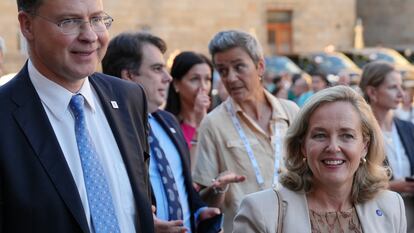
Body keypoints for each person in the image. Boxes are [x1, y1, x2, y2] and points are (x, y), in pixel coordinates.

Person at [0, 0, 154, 232]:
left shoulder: (128, 99)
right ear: (27, 25)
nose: (90, 36)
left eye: (97, 19)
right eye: (69, 21)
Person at [234, 85, 406, 233]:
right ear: (302, 146)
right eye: (320, 135)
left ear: (365, 147)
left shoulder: (390, 206)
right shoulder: (260, 211)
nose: (333, 147)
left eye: (346, 135)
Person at [102, 32, 220, 233]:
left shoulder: (167, 121)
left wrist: (199, 211)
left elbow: (181, 183)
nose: (168, 78)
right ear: (129, 76)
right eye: (157, 69)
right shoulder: (104, 129)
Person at [192, 30, 299, 232]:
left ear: (260, 66)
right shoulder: (213, 124)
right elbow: (205, 204)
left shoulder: (291, 112)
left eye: (239, 67)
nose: (231, 78)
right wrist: (219, 187)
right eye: (223, 71)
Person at [359, 61, 414, 233]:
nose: (401, 93)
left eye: (401, 86)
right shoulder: (360, 132)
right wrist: (390, 186)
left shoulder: (408, 128)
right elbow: (353, 182)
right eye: (392, 87)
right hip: (377, 216)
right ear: (372, 92)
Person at [165, 51, 213, 152]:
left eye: (207, 79)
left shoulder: (218, 122)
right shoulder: (167, 127)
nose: (203, 87)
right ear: (176, 84)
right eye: (195, 79)